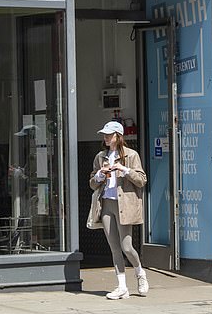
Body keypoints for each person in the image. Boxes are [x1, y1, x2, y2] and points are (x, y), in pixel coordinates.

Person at [89, 120, 148, 299]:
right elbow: (92, 184)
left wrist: (124, 169)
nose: (106, 138)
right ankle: (122, 286)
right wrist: (99, 175)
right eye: (105, 135)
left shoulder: (131, 155)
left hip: (125, 205)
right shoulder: (101, 156)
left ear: (118, 136)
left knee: (127, 246)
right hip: (106, 203)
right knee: (114, 247)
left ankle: (140, 273)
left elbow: (141, 180)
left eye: (109, 134)